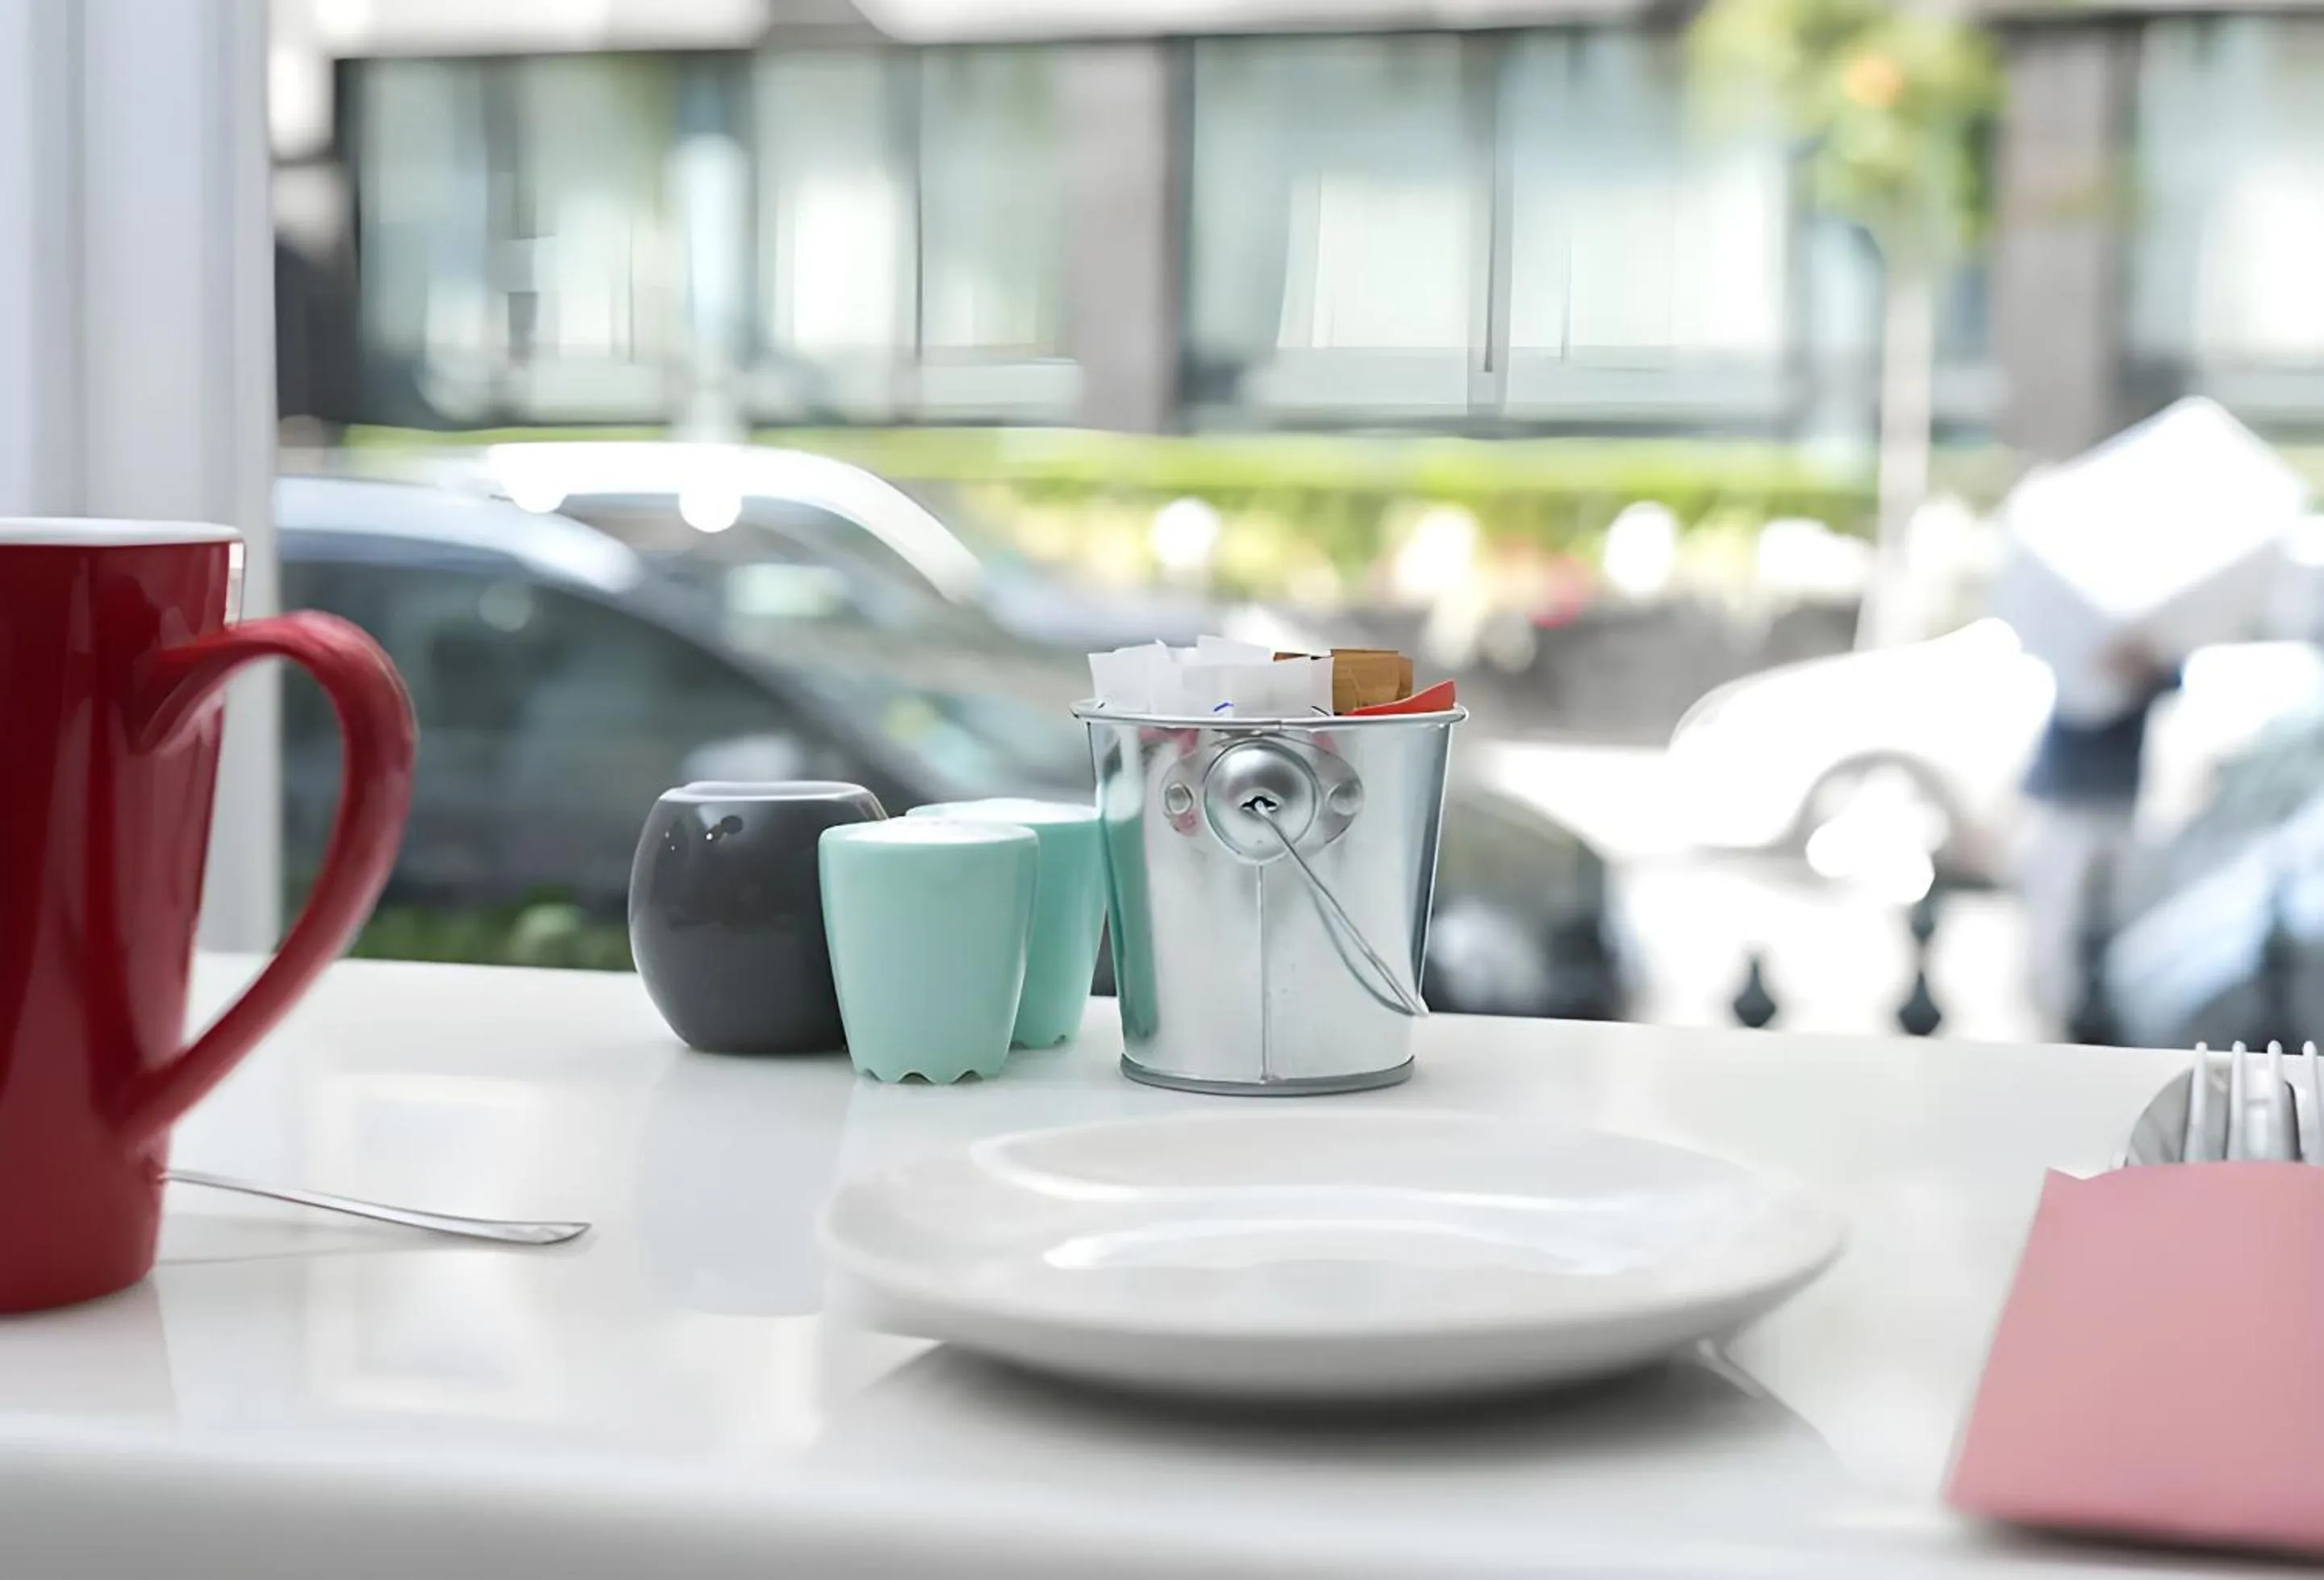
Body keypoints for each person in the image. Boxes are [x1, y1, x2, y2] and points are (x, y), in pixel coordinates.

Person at [2018, 640, 2180, 1032]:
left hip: (2120, 792)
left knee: (2120, 910)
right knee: (2057, 909)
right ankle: (2053, 1011)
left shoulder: (2156, 627)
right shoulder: (2078, 621)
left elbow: (2173, 679)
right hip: (2069, 791)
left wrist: (2142, 668)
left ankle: (2104, 1009)